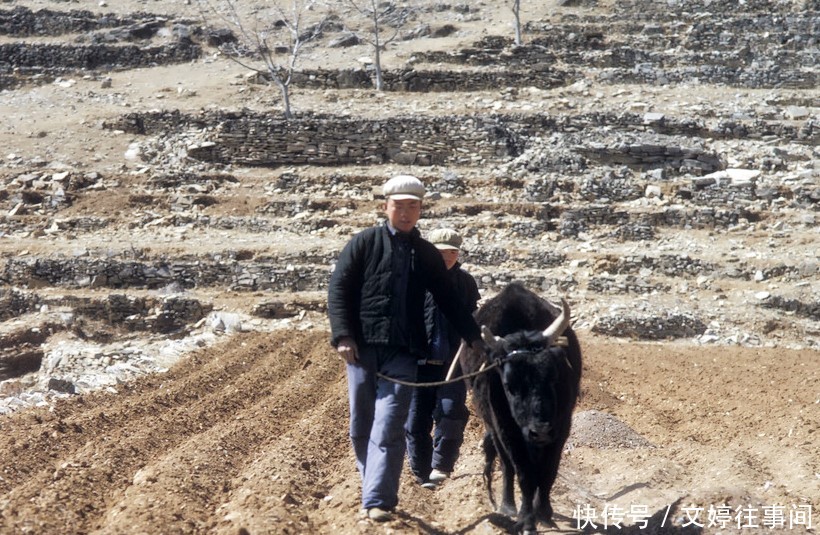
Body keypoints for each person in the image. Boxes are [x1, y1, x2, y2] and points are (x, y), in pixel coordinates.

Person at [327, 175, 486, 523]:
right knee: (360, 426)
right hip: (362, 350)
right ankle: (373, 484)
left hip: (403, 353)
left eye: (413, 207)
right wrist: (343, 336)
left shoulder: (426, 253)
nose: (406, 213)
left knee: (388, 426)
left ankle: (377, 499)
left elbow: (449, 300)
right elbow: (339, 288)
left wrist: (475, 338)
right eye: (400, 206)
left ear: (420, 210)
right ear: (386, 207)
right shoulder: (364, 243)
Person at [405, 228, 479, 490]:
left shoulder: (466, 283)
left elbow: (472, 318)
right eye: (441, 251)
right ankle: (420, 472)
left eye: (452, 251)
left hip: (453, 362)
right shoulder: (414, 280)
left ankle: (441, 468)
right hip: (418, 364)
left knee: (450, 413)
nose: (447, 256)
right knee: (415, 420)